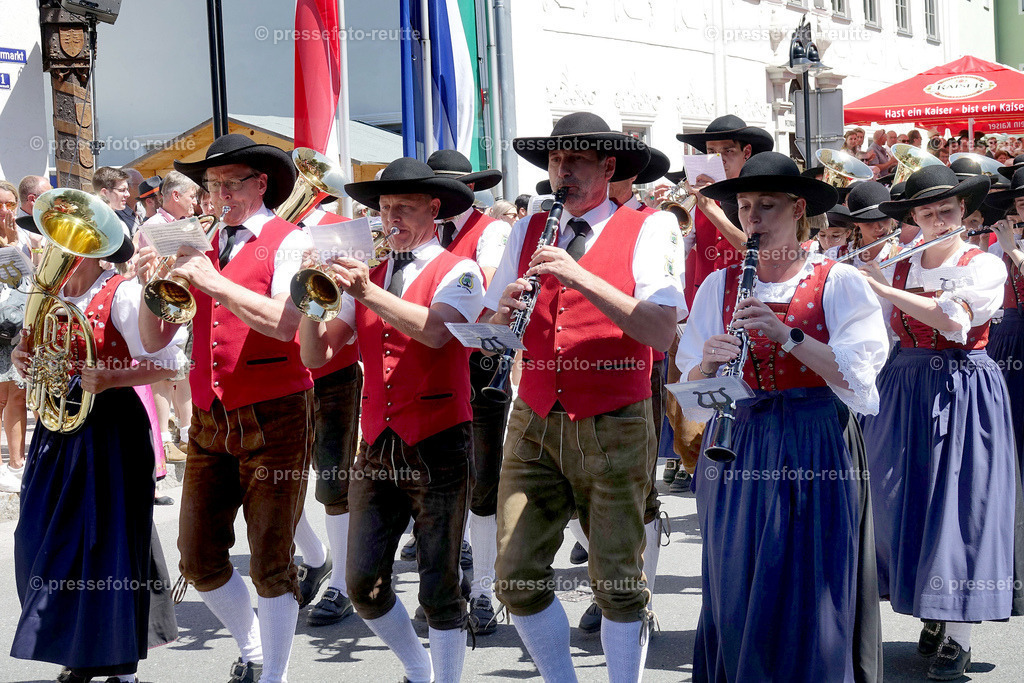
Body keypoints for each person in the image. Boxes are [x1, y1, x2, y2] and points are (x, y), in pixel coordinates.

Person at [485, 112, 685, 681]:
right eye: (553, 161)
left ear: (609, 167)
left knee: (618, 582)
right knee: (515, 576)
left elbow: (661, 331)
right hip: (535, 412)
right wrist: (502, 314)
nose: (560, 172)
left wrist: (581, 277)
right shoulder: (529, 228)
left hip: (614, 417)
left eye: (574, 161)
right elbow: (498, 316)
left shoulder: (652, 228)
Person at [677, 151, 887, 682]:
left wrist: (788, 336)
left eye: (766, 206)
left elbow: (859, 380)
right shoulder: (718, 286)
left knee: (808, 576)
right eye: (745, 206)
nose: (752, 218)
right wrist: (708, 362)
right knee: (737, 570)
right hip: (739, 437)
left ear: (797, 209)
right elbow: (694, 395)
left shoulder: (839, 281)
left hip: (814, 437)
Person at [138, 134, 314, 683]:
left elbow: (288, 323)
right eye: (212, 186)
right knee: (197, 557)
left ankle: (275, 674)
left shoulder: (292, 240)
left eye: (231, 183)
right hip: (212, 413)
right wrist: (155, 284)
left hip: (276, 409)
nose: (219, 194)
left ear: (262, 185)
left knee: (270, 561)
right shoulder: (200, 241)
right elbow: (154, 339)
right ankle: (253, 647)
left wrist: (211, 279)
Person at [299, 157, 482, 683]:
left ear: (434, 208)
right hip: (378, 442)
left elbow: (436, 332)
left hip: (440, 439)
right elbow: (317, 357)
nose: (390, 217)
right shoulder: (373, 272)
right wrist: (312, 296)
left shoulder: (459, 268)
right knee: (361, 583)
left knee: (439, 584)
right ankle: (418, 669)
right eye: (383, 208)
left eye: (403, 207)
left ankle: (444, 679)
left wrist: (365, 292)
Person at [11, 193, 183, 683]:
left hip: (108, 429)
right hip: (56, 428)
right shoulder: (47, 292)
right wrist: (24, 361)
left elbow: (168, 363)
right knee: (38, 540)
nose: (49, 244)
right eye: (48, 235)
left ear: (91, 245)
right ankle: (78, 650)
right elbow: (36, 355)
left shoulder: (122, 293)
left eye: (62, 237)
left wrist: (111, 378)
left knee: (104, 544)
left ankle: (119, 666)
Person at [859, 165, 1022, 680]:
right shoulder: (896, 259)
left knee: (958, 505)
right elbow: (874, 328)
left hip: (964, 386)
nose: (936, 219)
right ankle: (930, 607)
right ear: (913, 217)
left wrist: (883, 289)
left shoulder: (984, 265)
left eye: (946, 211)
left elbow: (954, 322)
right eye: (926, 212)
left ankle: (959, 636)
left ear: (964, 214)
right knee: (891, 502)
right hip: (904, 384)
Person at [574, 145, 676, 634]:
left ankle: (640, 589)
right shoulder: (579, 224)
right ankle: (609, 580)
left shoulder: (650, 224)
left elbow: (660, 311)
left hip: (641, 368)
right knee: (586, 492)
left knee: (641, 494)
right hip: (579, 376)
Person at [425, 148, 510, 635]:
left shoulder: (492, 230)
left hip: (478, 365)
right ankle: (447, 583)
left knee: (481, 484)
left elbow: (493, 291)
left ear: (471, 191)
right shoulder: (424, 234)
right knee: (438, 480)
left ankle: (483, 588)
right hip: (433, 364)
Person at [677, 115, 774, 309]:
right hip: (706, 301)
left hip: (749, 300)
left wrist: (711, 208)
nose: (718, 159)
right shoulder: (701, 198)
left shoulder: (762, 198)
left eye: (727, 151)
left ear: (746, 152)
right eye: (711, 151)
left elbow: (761, 253)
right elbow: (680, 251)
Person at [139, 170, 199, 465]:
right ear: (175, 196)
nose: (195, 201)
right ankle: (163, 440)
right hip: (162, 306)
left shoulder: (181, 224)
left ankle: (187, 435)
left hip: (181, 305)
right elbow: (149, 271)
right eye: (191, 195)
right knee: (162, 376)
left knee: (181, 372)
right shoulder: (154, 226)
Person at [0, 180, 29, 493]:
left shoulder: (22, 237)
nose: (5, 211)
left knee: (17, 395)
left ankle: (17, 462)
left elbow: (30, 280)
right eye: (0, 205)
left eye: (10, 204)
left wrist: (13, 245)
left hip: (16, 328)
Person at [827, 182, 899, 266]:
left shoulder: (905, 258)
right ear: (856, 222)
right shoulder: (834, 255)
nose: (879, 227)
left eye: (884, 219)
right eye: (869, 222)